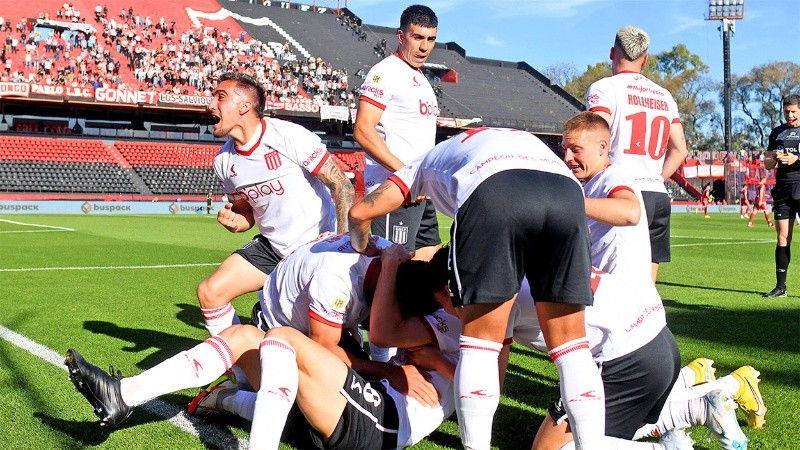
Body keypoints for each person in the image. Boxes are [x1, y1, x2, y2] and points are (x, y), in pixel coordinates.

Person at [349, 127, 604, 450]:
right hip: (566, 192)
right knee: (571, 348)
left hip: (495, 188)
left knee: (480, 345)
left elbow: (360, 211)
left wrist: (362, 240)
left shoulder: (421, 163)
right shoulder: (509, 139)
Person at [522, 112, 753, 450]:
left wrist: (569, 204)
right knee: (617, 428)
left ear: (603, 147)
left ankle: (677, 434)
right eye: (564, 149)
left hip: (622, 343)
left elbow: (629, 211)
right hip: (641, 330)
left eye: (576, 149)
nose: (568, 157)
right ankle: (701, 402)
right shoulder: (590, 184)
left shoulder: (614, 178)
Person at [63, 240, 441, 430]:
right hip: (290, 339)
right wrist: (389, 369)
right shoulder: (337, 283)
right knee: (248, 339)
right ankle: (129, 394)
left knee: (252, 348)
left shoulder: (373, 257)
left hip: (299, 339)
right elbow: (324, 354)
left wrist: (391, 364)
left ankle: (223, 399)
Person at [199, 71, 354, 336]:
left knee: (325, 338)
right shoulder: (223, 161)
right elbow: (245, 214)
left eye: (220, 97)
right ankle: (241, 369)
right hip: (273, 248)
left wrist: (342, 246)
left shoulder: (288, 136)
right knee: (210, 292)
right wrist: (236, 222)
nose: (210, 104)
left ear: (245, 106)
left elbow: (342, 185)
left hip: (314, 247)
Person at [586, 26, 689, 283]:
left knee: (608, 285)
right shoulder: (664, 96)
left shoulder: (603, 88)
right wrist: (656, 177)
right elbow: (680, 149)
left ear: (612, 52)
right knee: (647, 292)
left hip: (621, 193)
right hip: (656, 195)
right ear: (645, 59)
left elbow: (596, 139)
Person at [353, 4, 441, 261]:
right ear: (401, 36)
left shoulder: (422, 79)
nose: (424, 46)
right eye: (418, 37)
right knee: (390, 276)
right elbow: (363, 131)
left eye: (431, 39)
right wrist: (407, 174)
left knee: (426, 273)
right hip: (395, 190)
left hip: (422, 190)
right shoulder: (385, 72)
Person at [762, 94, 800, 298]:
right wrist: (774, 158)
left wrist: (797, 159)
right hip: (783, 190)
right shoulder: (777, 133)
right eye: (787, 111)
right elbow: (767, 164)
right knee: (782, 237)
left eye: (794, 111)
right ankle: (781, 287)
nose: (790, 115)